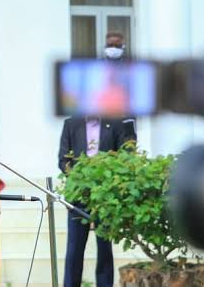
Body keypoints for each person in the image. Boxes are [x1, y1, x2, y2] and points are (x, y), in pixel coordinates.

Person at [58, 116, 134, 287]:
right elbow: (63, 160)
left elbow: (124, 157)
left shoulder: (115, 123)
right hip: (78, 195)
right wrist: (81, 177)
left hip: (106, 196)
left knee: (105, 248)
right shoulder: (71, 123)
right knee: (74, 249)